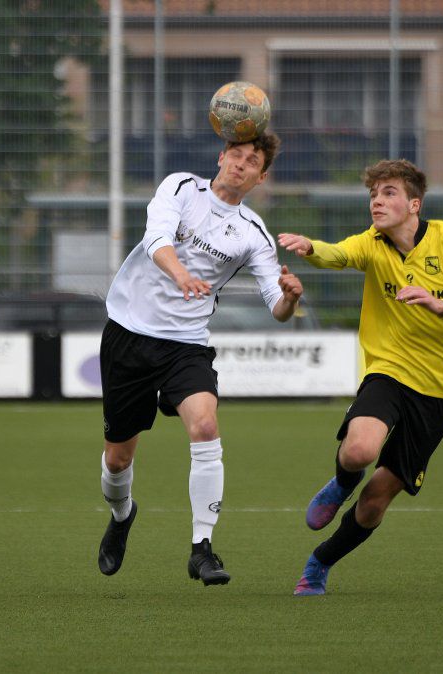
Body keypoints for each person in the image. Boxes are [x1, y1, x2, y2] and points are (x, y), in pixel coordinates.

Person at [277, 159, 443, 596]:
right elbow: (340, 254)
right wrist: (310, 247)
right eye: (373, 194)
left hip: (440, 390)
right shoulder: (373, 242)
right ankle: (342, 482)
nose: (377, 202)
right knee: (359, 451)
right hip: (389, 369)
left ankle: (321, 561)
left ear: (414, 204)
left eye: (388, 193)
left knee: (375, 501)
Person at [97, 132, 304, 585]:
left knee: (206, 426)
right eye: (236, 154)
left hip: (186, 344)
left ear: (261, 177)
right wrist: (181, 273)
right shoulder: (181, 187)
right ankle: (122, 514)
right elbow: (156, 238)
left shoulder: (253, 233)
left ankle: (202, 549)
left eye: (252, 161)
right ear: (221, 156)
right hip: (129, 335)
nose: (241, 164)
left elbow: (276, 305)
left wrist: (290, 298)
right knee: (117, 460)